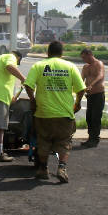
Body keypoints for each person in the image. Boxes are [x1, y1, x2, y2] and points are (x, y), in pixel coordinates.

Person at [24, 41, 86, 183]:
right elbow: (81, 89)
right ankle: (61, 168)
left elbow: (28, 86)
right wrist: (77, 103)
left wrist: (32, 100)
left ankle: (43, 169)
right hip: (65, 113)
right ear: (62, 53)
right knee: (64, 141)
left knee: (43, 140)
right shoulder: (70, 67)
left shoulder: (38, 66)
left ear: (48, 53)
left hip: (43, 113)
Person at [80, 48, 105, 147]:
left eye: (85, 57)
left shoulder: (98, 64)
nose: (84, 60)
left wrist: (91, 85)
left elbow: (100, 75)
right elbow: (81, 79)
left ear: (90, 54)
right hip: (89, 96)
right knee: (89, 117)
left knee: (96, 117)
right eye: (82, 58)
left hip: (98, 94)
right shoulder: (85, 67)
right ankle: (90, 138)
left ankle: (95, 139)